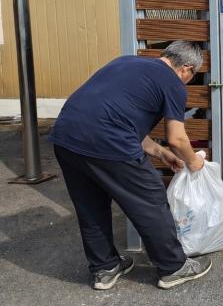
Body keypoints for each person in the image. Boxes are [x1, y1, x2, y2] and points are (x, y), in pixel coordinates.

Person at [49, 41, 213, 290]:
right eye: (192, 76)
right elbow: (177, 138)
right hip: (109, 144)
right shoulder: (173, 83)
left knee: (89, 205)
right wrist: (195, 162)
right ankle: (173, 267)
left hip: (65, 138)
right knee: (150, 200)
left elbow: (114, 113)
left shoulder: (124, 62)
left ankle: (105, 268)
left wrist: (159, 152)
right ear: (186, 69)